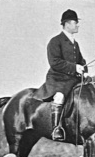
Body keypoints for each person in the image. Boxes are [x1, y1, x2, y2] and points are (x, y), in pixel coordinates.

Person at [34, 10, 88, 140]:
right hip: (58, 79)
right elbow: (55, 62)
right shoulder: (55, 41)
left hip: (73, 79)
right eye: (76, 23)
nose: (77, 25)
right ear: (68, 24)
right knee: (59, 97)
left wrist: (84, 70)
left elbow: (81, 61)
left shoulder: (75, 43)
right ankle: (56, 128)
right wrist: (74, 67)